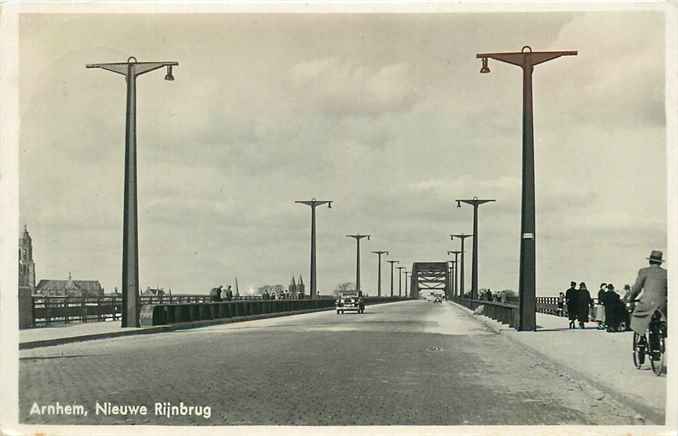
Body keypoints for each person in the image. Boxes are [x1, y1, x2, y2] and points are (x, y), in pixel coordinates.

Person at [626, 250, 667, 342]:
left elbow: (636, 288)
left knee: (637, 318)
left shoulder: (644, 271)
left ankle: (641, 338)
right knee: (665, 318)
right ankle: (661, 335)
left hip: (647, 303)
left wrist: (631, 299)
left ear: (650, 261)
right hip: (662, 304)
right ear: (660, 262)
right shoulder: (666, 273)